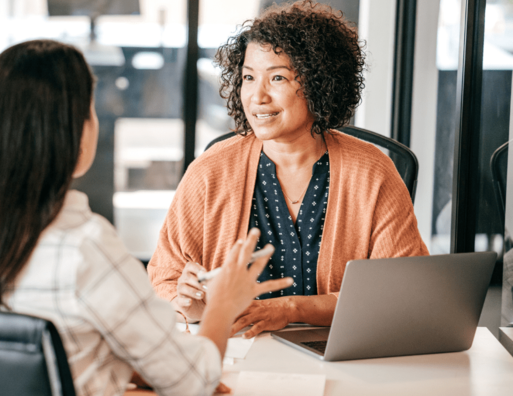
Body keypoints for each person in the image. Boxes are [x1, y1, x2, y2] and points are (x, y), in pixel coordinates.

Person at [0, 40, 292, 396]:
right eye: (92, 110)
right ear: (73, 134)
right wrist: (223, 304)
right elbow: (194, 382)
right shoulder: (85, 247)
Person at [147, 0, 429, 339]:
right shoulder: (210, 171)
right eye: (249, 77)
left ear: (318, 82)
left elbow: (399, 292)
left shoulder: (372, 171)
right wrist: (189, 304)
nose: (257, 96)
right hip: (233, 349)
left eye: (277, 77)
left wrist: (292, 309)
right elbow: (165, 279)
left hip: (340, 352)